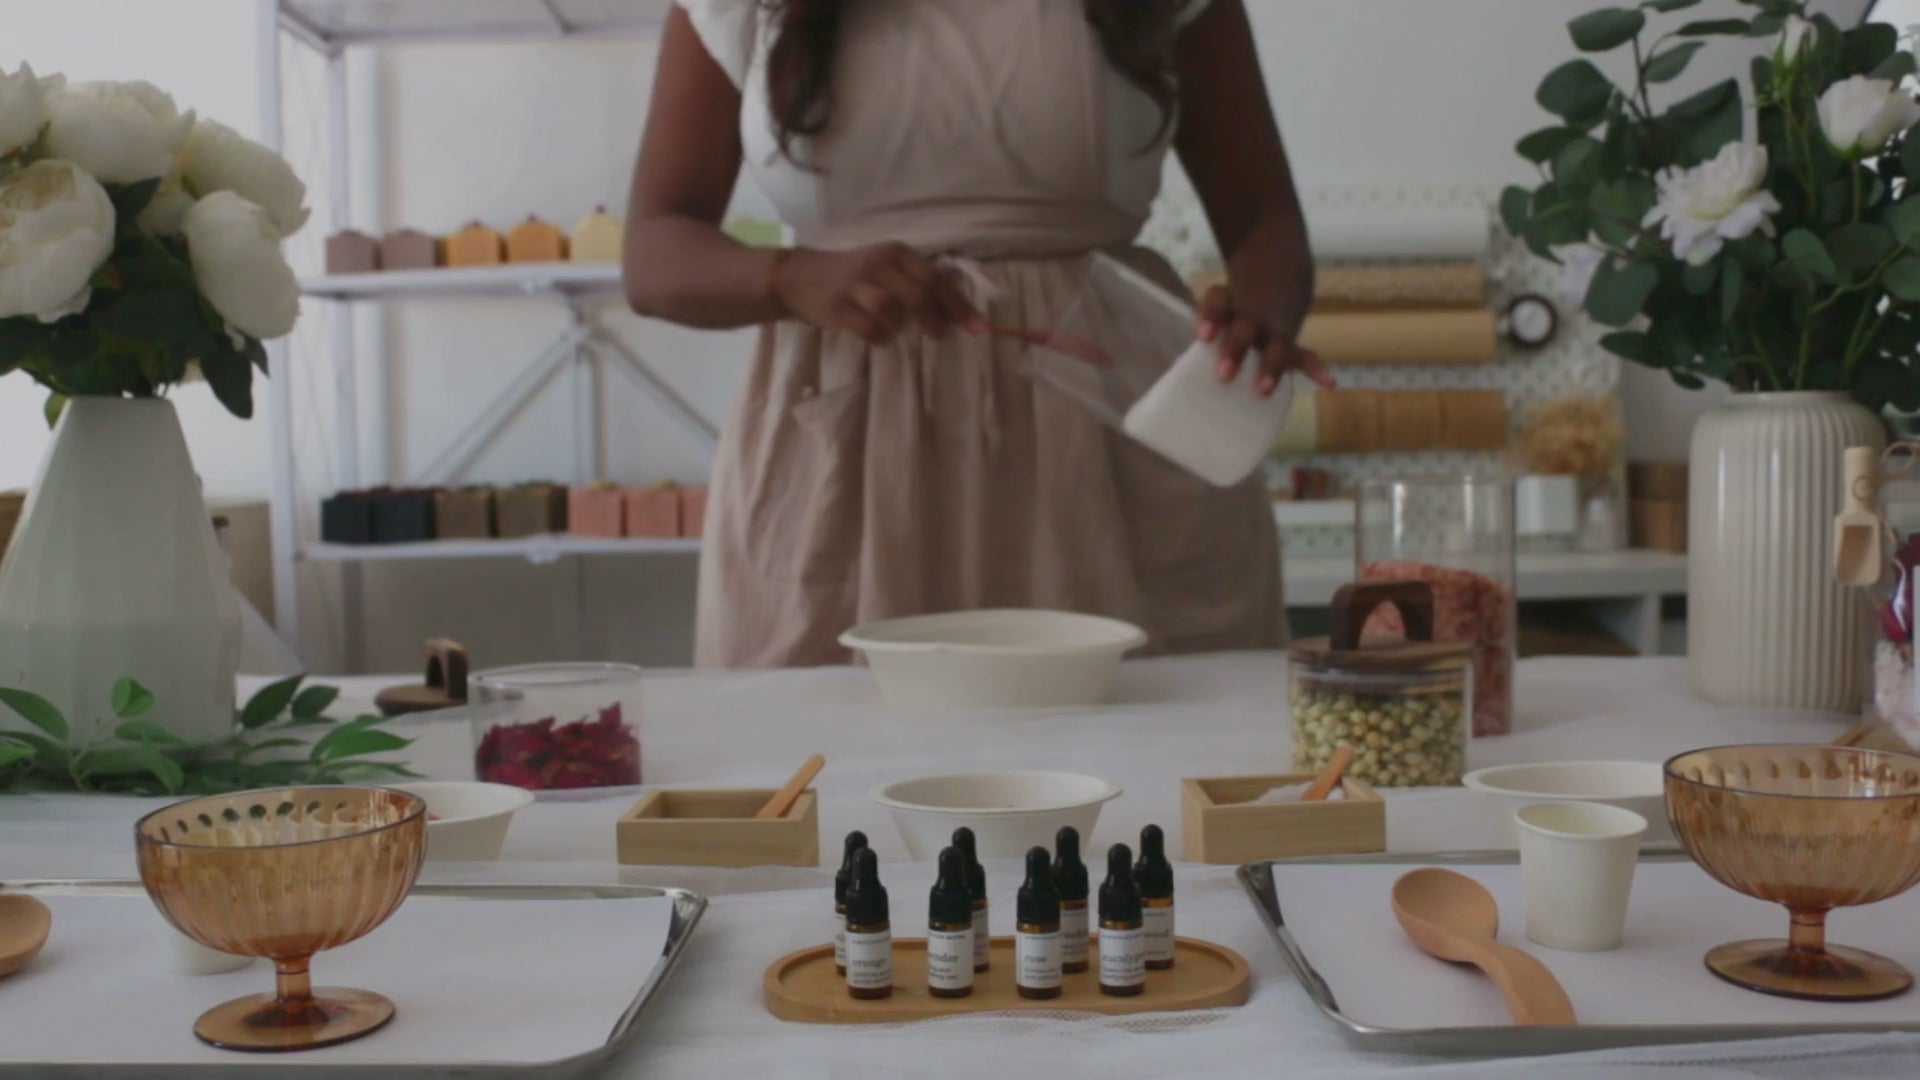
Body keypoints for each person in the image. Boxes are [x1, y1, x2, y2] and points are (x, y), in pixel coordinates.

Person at [624, 0, 1325, 668]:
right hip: (846, 465)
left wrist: (1260, 319)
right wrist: (791, 278)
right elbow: (654, 253)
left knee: (1151, 750)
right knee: (830, 765)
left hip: (1111, 450)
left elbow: (1267, 223)